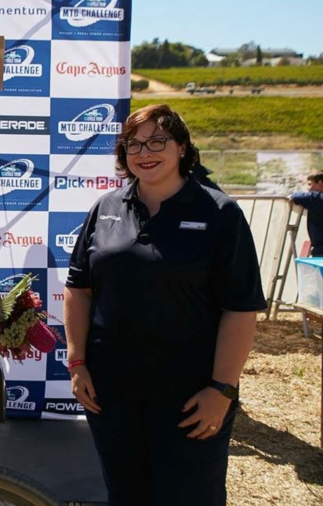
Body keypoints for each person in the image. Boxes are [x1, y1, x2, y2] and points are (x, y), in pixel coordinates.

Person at [63, 104, 266, 506]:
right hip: (112, 394)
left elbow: (240, 310)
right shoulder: (105, 208)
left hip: (190, 397)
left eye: (158, 141)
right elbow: (79, 289)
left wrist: (221, 389)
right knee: (126, 494)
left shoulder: (221, 213)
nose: (144, 152)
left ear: (183, 148)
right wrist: (77, 362)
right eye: (133, 144)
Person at [290, 170, 323, 257]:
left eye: (310, 184)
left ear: (320, 184)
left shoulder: (317, 199)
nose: (308, 188)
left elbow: (296, 196)